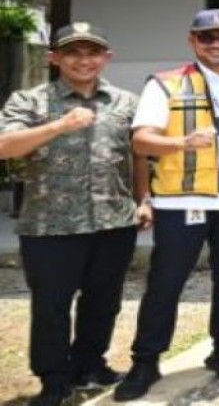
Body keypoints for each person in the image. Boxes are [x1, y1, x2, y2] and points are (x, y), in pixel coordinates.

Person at [116, 9, 219, 401]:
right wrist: (181, 144)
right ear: (192, 41)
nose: (216, 44)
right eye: (207, 37)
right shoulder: (165, 84)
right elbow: (141, 141)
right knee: (166, 284)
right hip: (182, 203)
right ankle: (146, 361)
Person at [0, 24, 139, 406]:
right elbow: (5, 147)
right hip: (49, 226)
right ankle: (54, 379)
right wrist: (59, 125)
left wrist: (144, 200)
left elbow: (139, 155)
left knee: (103, 301)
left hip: (114, 221)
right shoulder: (29, 101)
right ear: (54, 58)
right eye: (73, 52)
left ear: (106, 58)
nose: (83, 60)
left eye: (92, 52)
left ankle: (90, 365)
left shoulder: (126, 101)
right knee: (51, 306)